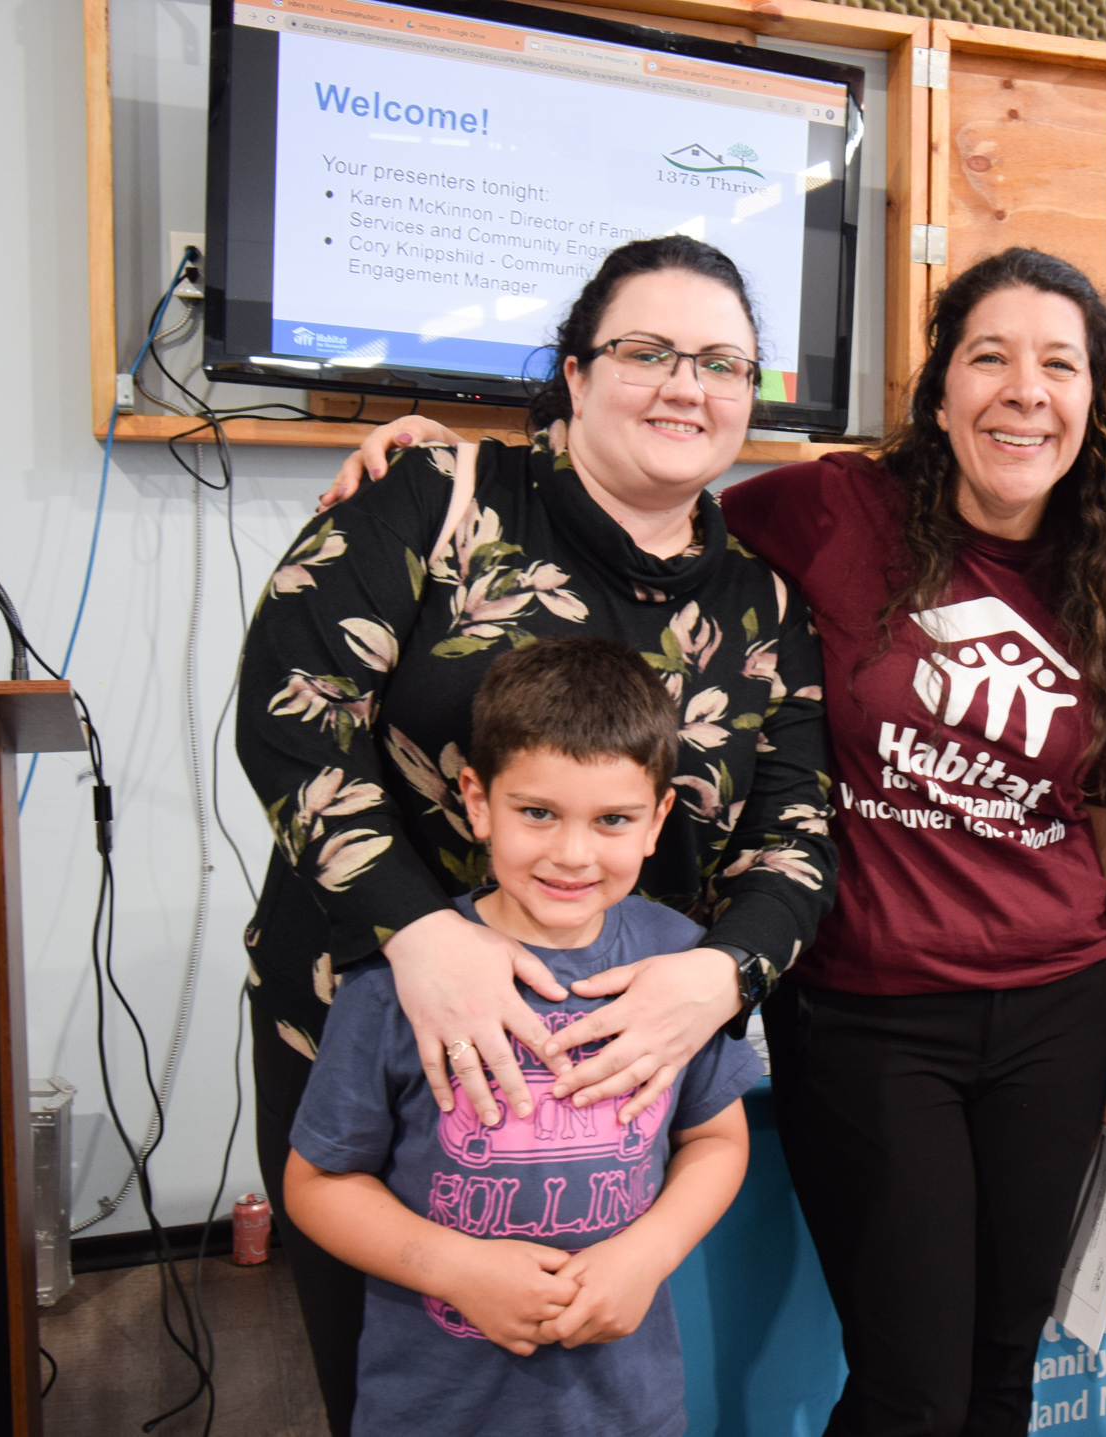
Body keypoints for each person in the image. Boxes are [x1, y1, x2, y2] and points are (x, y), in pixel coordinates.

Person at [328, 246, 1106, 1437]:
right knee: (912, 1389)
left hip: (1056, 1003)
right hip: (873, 1012)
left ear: (1096, 402)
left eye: (1059, 363)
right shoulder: (827, 507)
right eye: (989, 355)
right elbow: (636, 490)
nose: (1024, 388)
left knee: (1003, 1367)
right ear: (939, 391)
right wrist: (459, 455)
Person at [240, 235, 835, 1433]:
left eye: (723, 361)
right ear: (572, 372)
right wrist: (421, 938)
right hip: (371, 1017)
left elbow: (797, 832)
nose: (686, 383)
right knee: (397, 1380)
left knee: (593, 1378)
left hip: (610, 1071)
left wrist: (720, 979)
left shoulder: (760, 603)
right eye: (646, 351)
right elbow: (291, 710)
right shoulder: (436, 497)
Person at [284, 637, 763, 1437]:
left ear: (658, 819)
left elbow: (717, 1139)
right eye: (537, 812)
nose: (573, 854)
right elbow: (317, 1184)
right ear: (477, 800)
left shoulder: (678, 962)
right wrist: (459, 1269)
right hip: (434, 1410)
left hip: (627, 1407)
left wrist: (648, 1253)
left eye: (613, 819)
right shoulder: (400, 980)